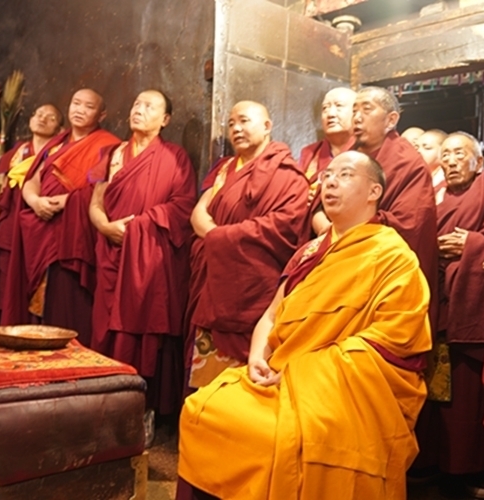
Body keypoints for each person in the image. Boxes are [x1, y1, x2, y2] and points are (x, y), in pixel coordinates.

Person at [177, 150, 432, 500]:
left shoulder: (394, 256)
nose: (331, 183)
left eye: (345, 175)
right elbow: (271, 314)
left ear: (374, 192)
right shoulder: (310, 252)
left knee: (282, 438)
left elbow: (393, 341)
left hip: (339, 390)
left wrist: (300, 372)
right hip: (280, 375)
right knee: (203, 410)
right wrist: (257, 357)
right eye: (327, 176)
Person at [413, 132, 484, 498]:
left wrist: (472, 245)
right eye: (446, 154)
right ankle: (430, 461)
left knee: (466, 395)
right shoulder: (432, 196)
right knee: (432, 393)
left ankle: (469, 467)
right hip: (435, 303)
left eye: (460, 153)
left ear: (478, 160)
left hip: (473, 307)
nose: (451, 160)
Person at [185, 100, 308, 389]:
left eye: (244, 121)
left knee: (243, 388)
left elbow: (284, 226)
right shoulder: (225, 169)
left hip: (252, 288)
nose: (236, 129)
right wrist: (216, 235)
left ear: (267, 126)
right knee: (204, 383)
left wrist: (217, 236)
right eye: (231, 124)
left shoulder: (288, 175)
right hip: (211, 279)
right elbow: (199, 211)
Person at [89, 90, 197, 418]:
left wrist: (140, 226)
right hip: (112, 252)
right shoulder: (112, 154)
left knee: (144, 328)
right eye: (136, 103)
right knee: (107, 327)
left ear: (165, 120)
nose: (139, 109)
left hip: (150, 259)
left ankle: (143, 409)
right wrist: (105, 226)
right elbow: (95, 202)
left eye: (149, 106)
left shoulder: (175, 157)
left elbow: (183, 206)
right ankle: (104, 406)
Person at [1, 88, 120, 345]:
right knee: (37, 302)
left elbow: (106, 191)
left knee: (66, 299)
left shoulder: (108, 145)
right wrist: (34, 201)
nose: (80, 110)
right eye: (76, 103)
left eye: (88, 106)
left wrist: (67, 201)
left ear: (101, 114)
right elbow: (32, 179)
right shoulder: (57, 143)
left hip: (73, 234)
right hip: (40, 228)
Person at [351, 86, 438, 326]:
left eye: (366, 109)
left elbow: (411, 224)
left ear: (391, 120)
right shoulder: (350, 156)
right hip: (342, 260)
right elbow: (320, 204)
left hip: (380, 268)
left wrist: (348, 229)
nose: (356, 117)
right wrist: (325, 225)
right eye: (354, 110)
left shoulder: (408, 163)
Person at [0, 104, 63, 321]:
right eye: (38, 114)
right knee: (3, 293)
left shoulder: (59, 155)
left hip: (38, 232)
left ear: (60, 129)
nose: (42, 119)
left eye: (50, 117)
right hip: (9, 230)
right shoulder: (18, 153)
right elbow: (2, 196)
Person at [297, 87, 356, 242]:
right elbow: (295, 195)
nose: (330, 114)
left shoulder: (364, 153)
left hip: (350, 235)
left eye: (339, 106)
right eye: (325, 108)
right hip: (309, 237)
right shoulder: (309, 153)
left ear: (356, 113)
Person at [416, 129, 448, 204]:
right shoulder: (415, 176)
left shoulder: (447, 182)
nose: (418, 151)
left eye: (427, 148)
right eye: (416, 147)